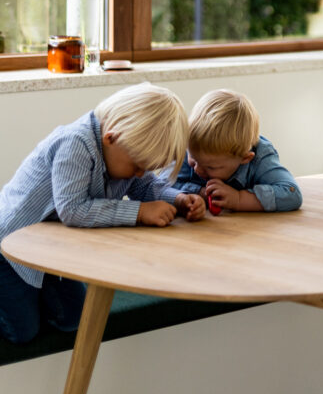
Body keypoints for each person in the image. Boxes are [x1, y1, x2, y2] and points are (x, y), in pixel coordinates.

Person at [0, 82, 204, 344]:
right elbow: (72, 210)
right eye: (138, 166)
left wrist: (179, 199)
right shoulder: (75, 143)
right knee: (22, 332)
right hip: (9, 248)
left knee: (73, 318)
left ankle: (31, 296)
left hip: (46, 250)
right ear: (111, 138)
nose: (140, 173)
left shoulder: (124, 155)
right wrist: (139, 212)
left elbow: (146, 186)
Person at [174, 89, 302, 213]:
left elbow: (291, 193)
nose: (197, 169)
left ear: (245, 158)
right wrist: (198, 192)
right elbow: (161, 187)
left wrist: (239, 199)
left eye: (211, 167)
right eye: (193, 159)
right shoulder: (193, 144)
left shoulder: (261, 157)